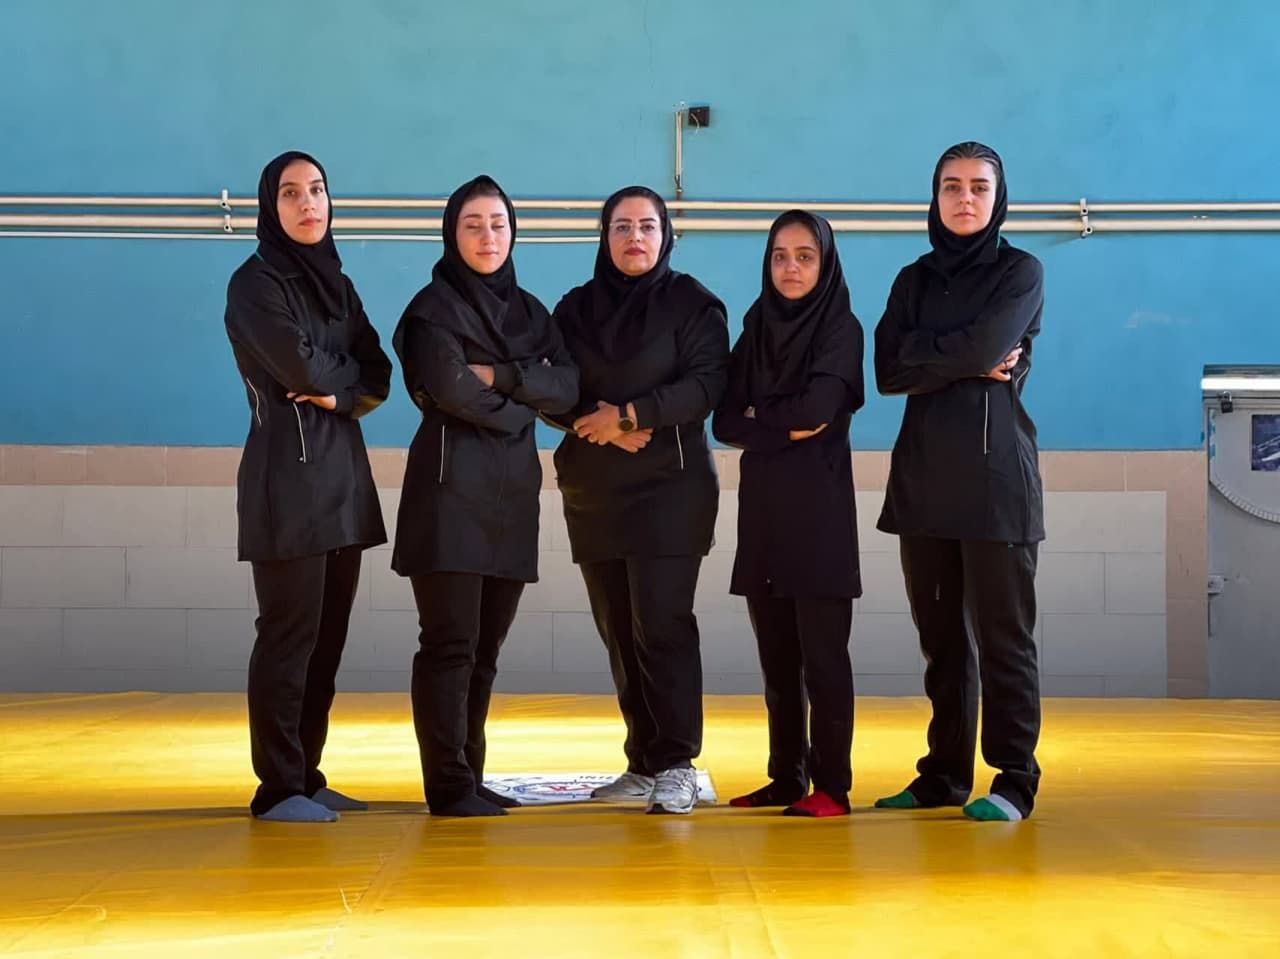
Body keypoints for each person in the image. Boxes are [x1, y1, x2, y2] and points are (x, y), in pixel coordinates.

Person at [392, 175, 579, 817]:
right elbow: (450, 389)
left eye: (498, 224)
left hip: (510, 499)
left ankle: (470, 775)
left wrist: (501, 377)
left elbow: (568, 388)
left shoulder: (530, 312)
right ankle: (447, 785)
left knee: (485, 652)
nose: (487, 236)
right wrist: (523, 405)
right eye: (472, 225)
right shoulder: (431, 311)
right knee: (450, 645)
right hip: (447, 494)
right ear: (452, 233)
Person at [873, 141, 1045, 822]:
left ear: (998, 198)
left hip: (996, 481)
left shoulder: (1020, 271)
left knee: (1004, 638)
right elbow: (887, 369)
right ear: (935, 195)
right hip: (923, 482)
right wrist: (968, 359)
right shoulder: (913, 279)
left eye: (978, 186)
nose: (965, 198)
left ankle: (1014, 779)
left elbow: (979, 347)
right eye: (952, 186)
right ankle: (943, 774)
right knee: (942, 642)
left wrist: (937, 354)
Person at [550, 185, 729, 815]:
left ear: (666, 235)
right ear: (604, 236)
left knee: (662, 623)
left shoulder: (694, 304)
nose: (635, 238)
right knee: (620, 629)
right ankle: (644, 760)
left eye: (647, 226)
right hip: (595, 490)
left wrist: (630, 415)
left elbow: (706, 385)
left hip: (670, 490)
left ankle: (678, 762)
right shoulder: (575, 308)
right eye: (622, 226)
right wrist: (592, 423)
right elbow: (551, 385)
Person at [224, 150, 391, 823]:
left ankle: (307, 775)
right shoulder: (254, 283)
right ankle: (277, 787)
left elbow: (378, 373)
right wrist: (334, 377)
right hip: (287, 480)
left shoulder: (337, 285)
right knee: (288, 635)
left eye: (316, 189)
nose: (307, 203)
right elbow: (298, 366)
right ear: (272, 206)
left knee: (326, 641)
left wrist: (336, 391)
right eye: (290, 193)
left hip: (342, 480)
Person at [712, 209, 864, 817]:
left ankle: (832, 786)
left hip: (820, 514)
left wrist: (760, 418)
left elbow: (817, 411)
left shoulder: (841, 329)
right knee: (777, 660)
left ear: (825, 264)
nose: (791, 267)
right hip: (764, 513)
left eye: (805, 256)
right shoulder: (756, 326)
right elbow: (725, 420)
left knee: (823, 660)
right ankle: (786, 777)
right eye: (780, 256)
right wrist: (777, 424)